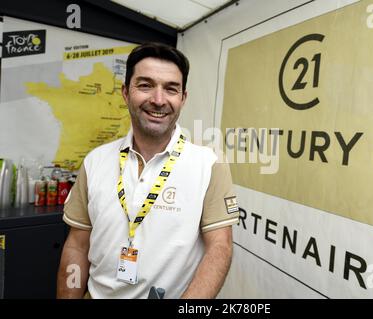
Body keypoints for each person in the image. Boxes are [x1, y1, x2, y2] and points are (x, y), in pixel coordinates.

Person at [57, 42, 239, 299]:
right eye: (145, 85)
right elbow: (77, 245)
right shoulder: (95, 161)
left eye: (171, 89)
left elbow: (220, 249)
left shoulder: (209, 164)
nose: (158, 99)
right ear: (125, 92)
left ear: (183, 98)